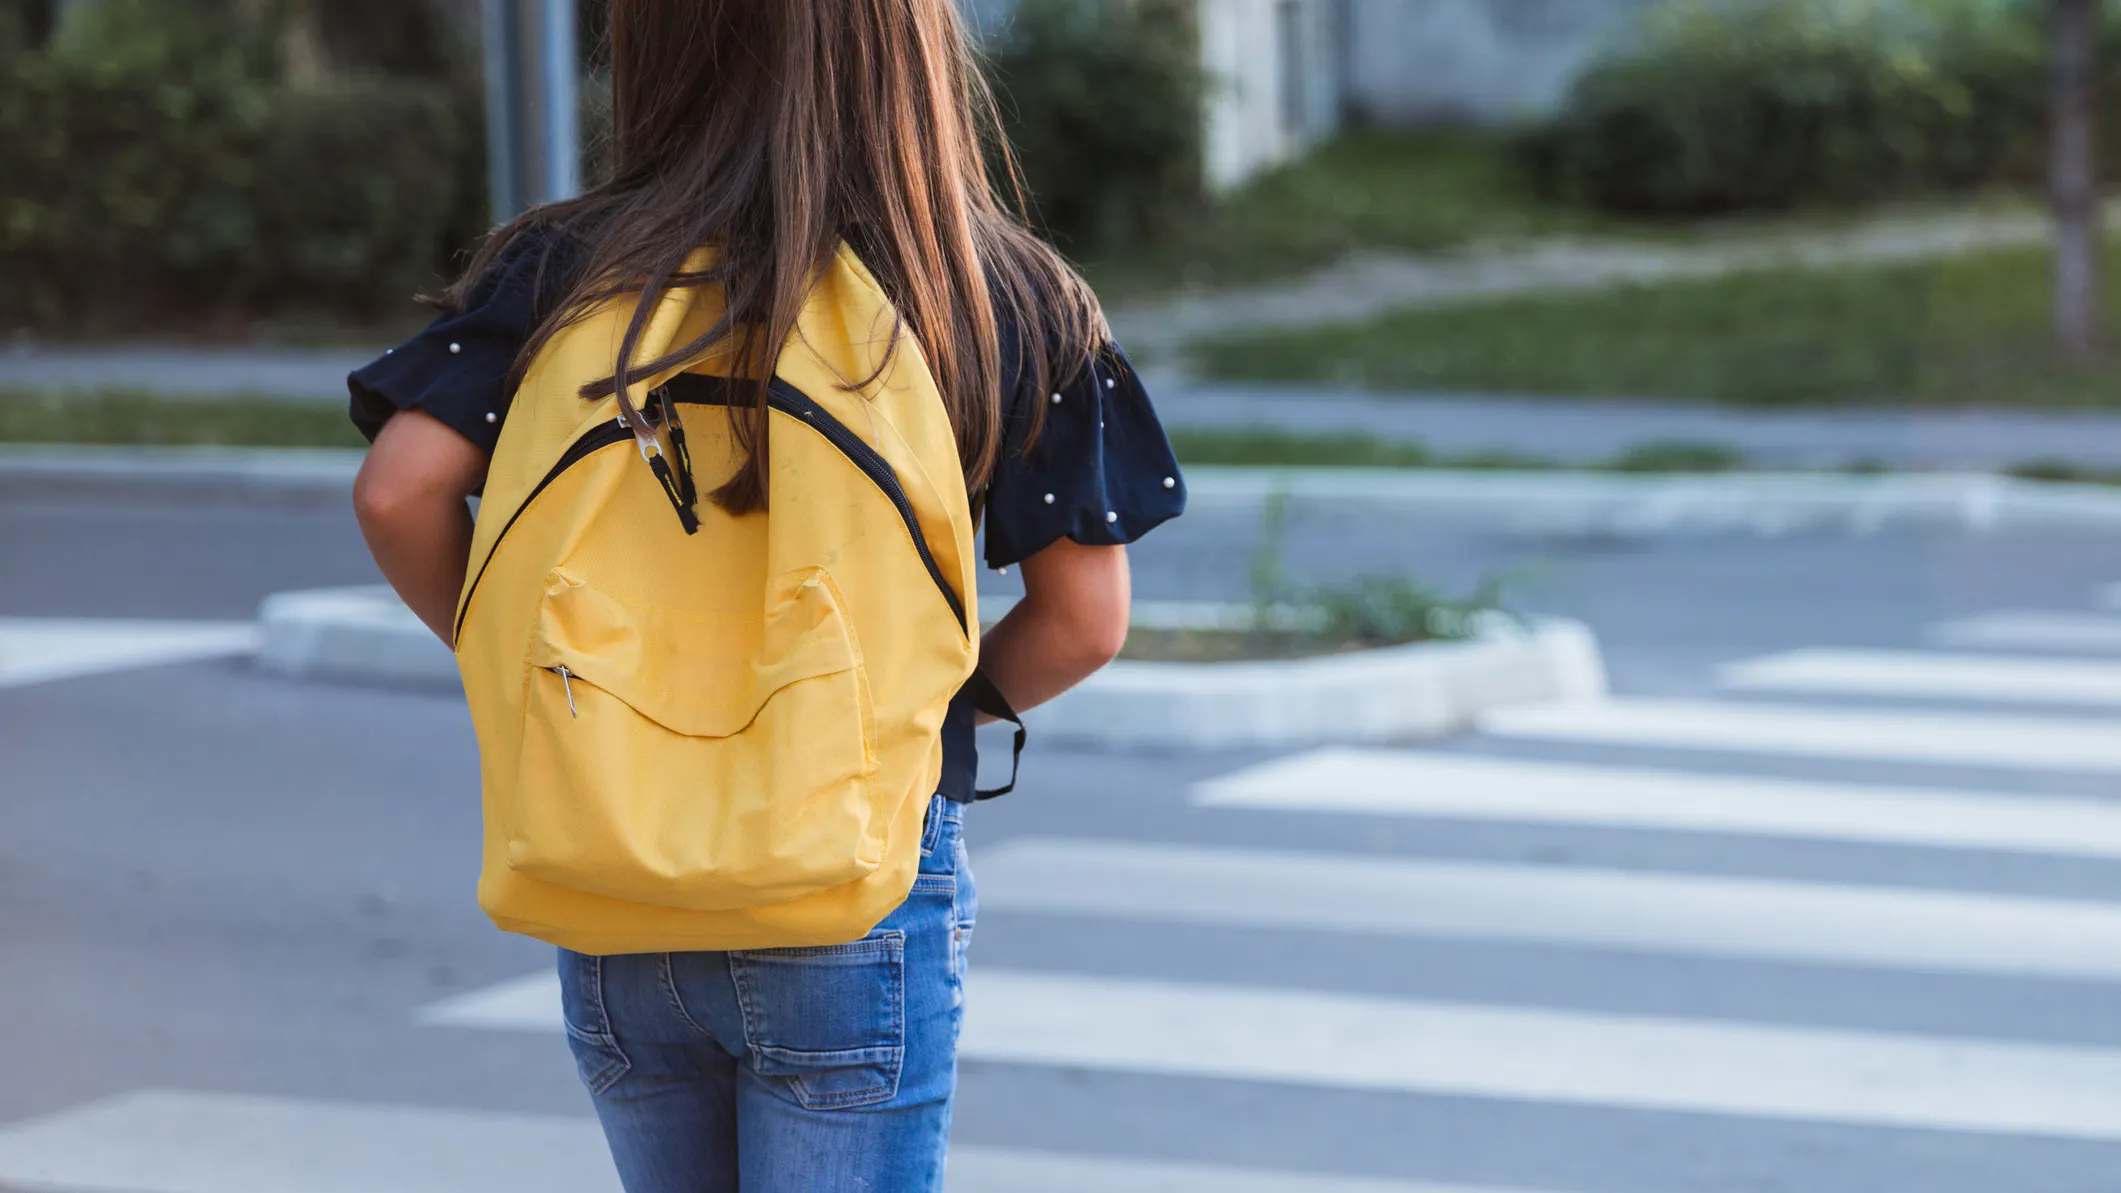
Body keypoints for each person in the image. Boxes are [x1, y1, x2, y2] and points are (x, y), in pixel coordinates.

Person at [343, 1, 1185, 1189]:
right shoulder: (990, 292)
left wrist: (535, 668)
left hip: (618, 863)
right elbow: (1086, 617)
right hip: (852, 876)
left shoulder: (567, 270)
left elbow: (398, 493)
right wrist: (933, 712)